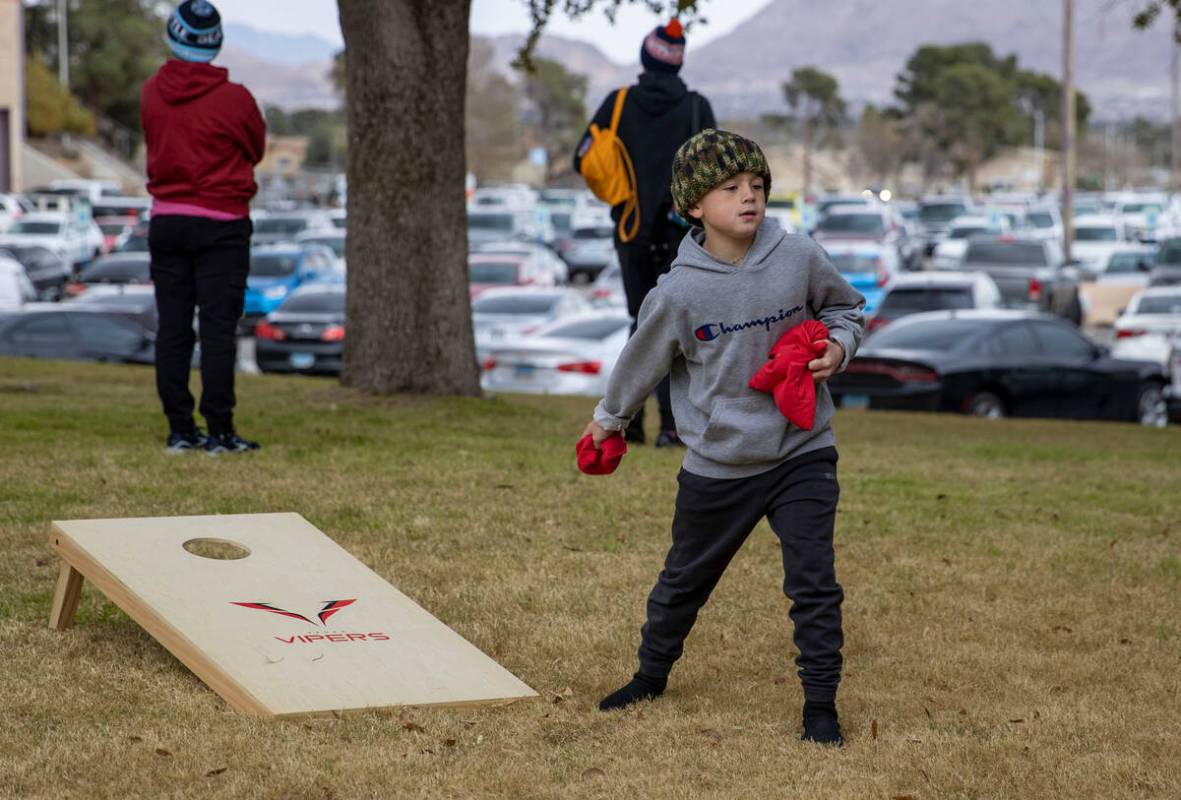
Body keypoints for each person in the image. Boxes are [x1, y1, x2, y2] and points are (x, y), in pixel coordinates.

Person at [581, 130, 865, 745]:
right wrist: (609, 421)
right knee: (685, 579)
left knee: (813, 580)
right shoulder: (679, 292)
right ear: (693, 207)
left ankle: (821, 707)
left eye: (757, 186)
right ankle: (650, 675)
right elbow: (641, 363)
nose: (749, 198)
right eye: (730, 189)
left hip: (801, 448)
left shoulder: (799, 257)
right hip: (721, 462)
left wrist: (838, 348)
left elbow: (846, 309)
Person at [573, 19, 716, 448]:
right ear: (677, 63)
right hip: (682, 239)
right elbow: (715, 167)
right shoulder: (695, 108)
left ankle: (626, 422)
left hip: (630, 230)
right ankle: (674, 428)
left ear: (644, 57)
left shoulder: (617, 104)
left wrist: (622, 190)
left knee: (641, 327)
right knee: (677, 331)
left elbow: (584, 155)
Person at [141, 0, 266, 454]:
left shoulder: (152, 92)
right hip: (222, 225)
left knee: (173, 328)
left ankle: (179, 428)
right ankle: (220, 431)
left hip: (168, 219)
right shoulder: (236, 100)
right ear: (215, 43)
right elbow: (255, 147)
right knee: (217, 329)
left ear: (174, 36)